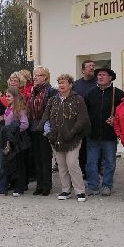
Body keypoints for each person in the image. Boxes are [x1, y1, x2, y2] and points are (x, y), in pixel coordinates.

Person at [37, 74, 91, 202]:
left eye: (64, 82)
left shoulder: (78, 99)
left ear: (70, 84)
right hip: (56, 138)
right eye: (59, 82)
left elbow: (82, 119)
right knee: (61, 165)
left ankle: (80, 191)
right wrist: (47, 132)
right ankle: (66, 190)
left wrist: (72, 132)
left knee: (72, 163)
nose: (61, 85)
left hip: (73, 138)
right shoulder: (53, 100)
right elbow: (46, 117)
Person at [85, 67, 124, 196]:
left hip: (109, 135)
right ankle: (92, 185)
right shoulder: (90, 93)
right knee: (91, 161)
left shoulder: (118, 94)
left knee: (110, 162)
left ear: (110, 78)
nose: (100, 77)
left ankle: (107, 185)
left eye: (103, 75)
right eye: (99, 75)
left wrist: (116, 119)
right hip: (93, 134)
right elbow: (85, 113)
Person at [28, 66, 58, 196]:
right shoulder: (33, 91)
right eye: (34, 75)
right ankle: (39, 185)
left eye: (38, 75)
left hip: (45, 127)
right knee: (37, 157)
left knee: (45, 157)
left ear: (45, 77)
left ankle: (46, 185)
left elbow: (52, 111)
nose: (35, 77)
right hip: (33, 127)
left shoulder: (51, 91)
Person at [2, 87, 30, 197]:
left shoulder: (20, 110)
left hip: (18, 140)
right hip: (10, 140)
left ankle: (20, 186)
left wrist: (14, 132)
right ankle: (13, 184)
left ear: (15, 97)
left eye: (9, 96)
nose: (6, 98)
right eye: (6, 96)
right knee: (12, 162)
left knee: (19, 164)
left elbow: (25, 124)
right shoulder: (8, 108)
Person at [72, 59, 97, 179]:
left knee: (92, 149)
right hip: (79, 122)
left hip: (94, 122)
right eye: (89, 66)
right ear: (82, 70)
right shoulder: (76, 84)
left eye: (93, 66)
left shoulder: (98, 83)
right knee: (80, 149)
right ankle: (82, 171)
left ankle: (93, 173)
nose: (92, 68)